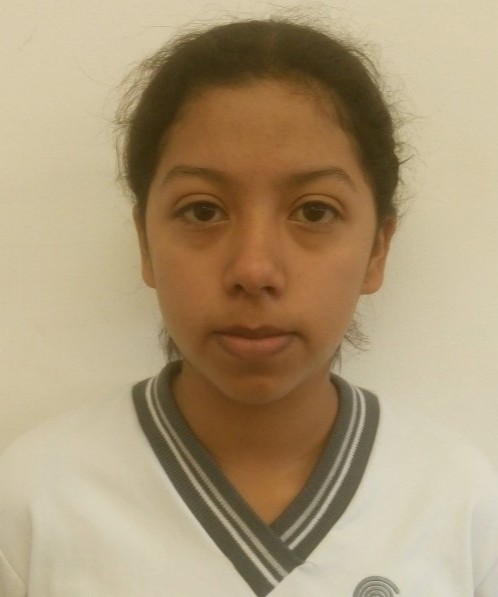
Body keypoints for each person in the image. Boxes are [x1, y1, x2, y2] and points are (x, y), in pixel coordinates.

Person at [1, 17, 497, 597]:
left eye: (314, 211)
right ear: (145, 245)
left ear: (376, 251)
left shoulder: (459, 504)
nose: (254, 270)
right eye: (203, 211)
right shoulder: (34, 501)